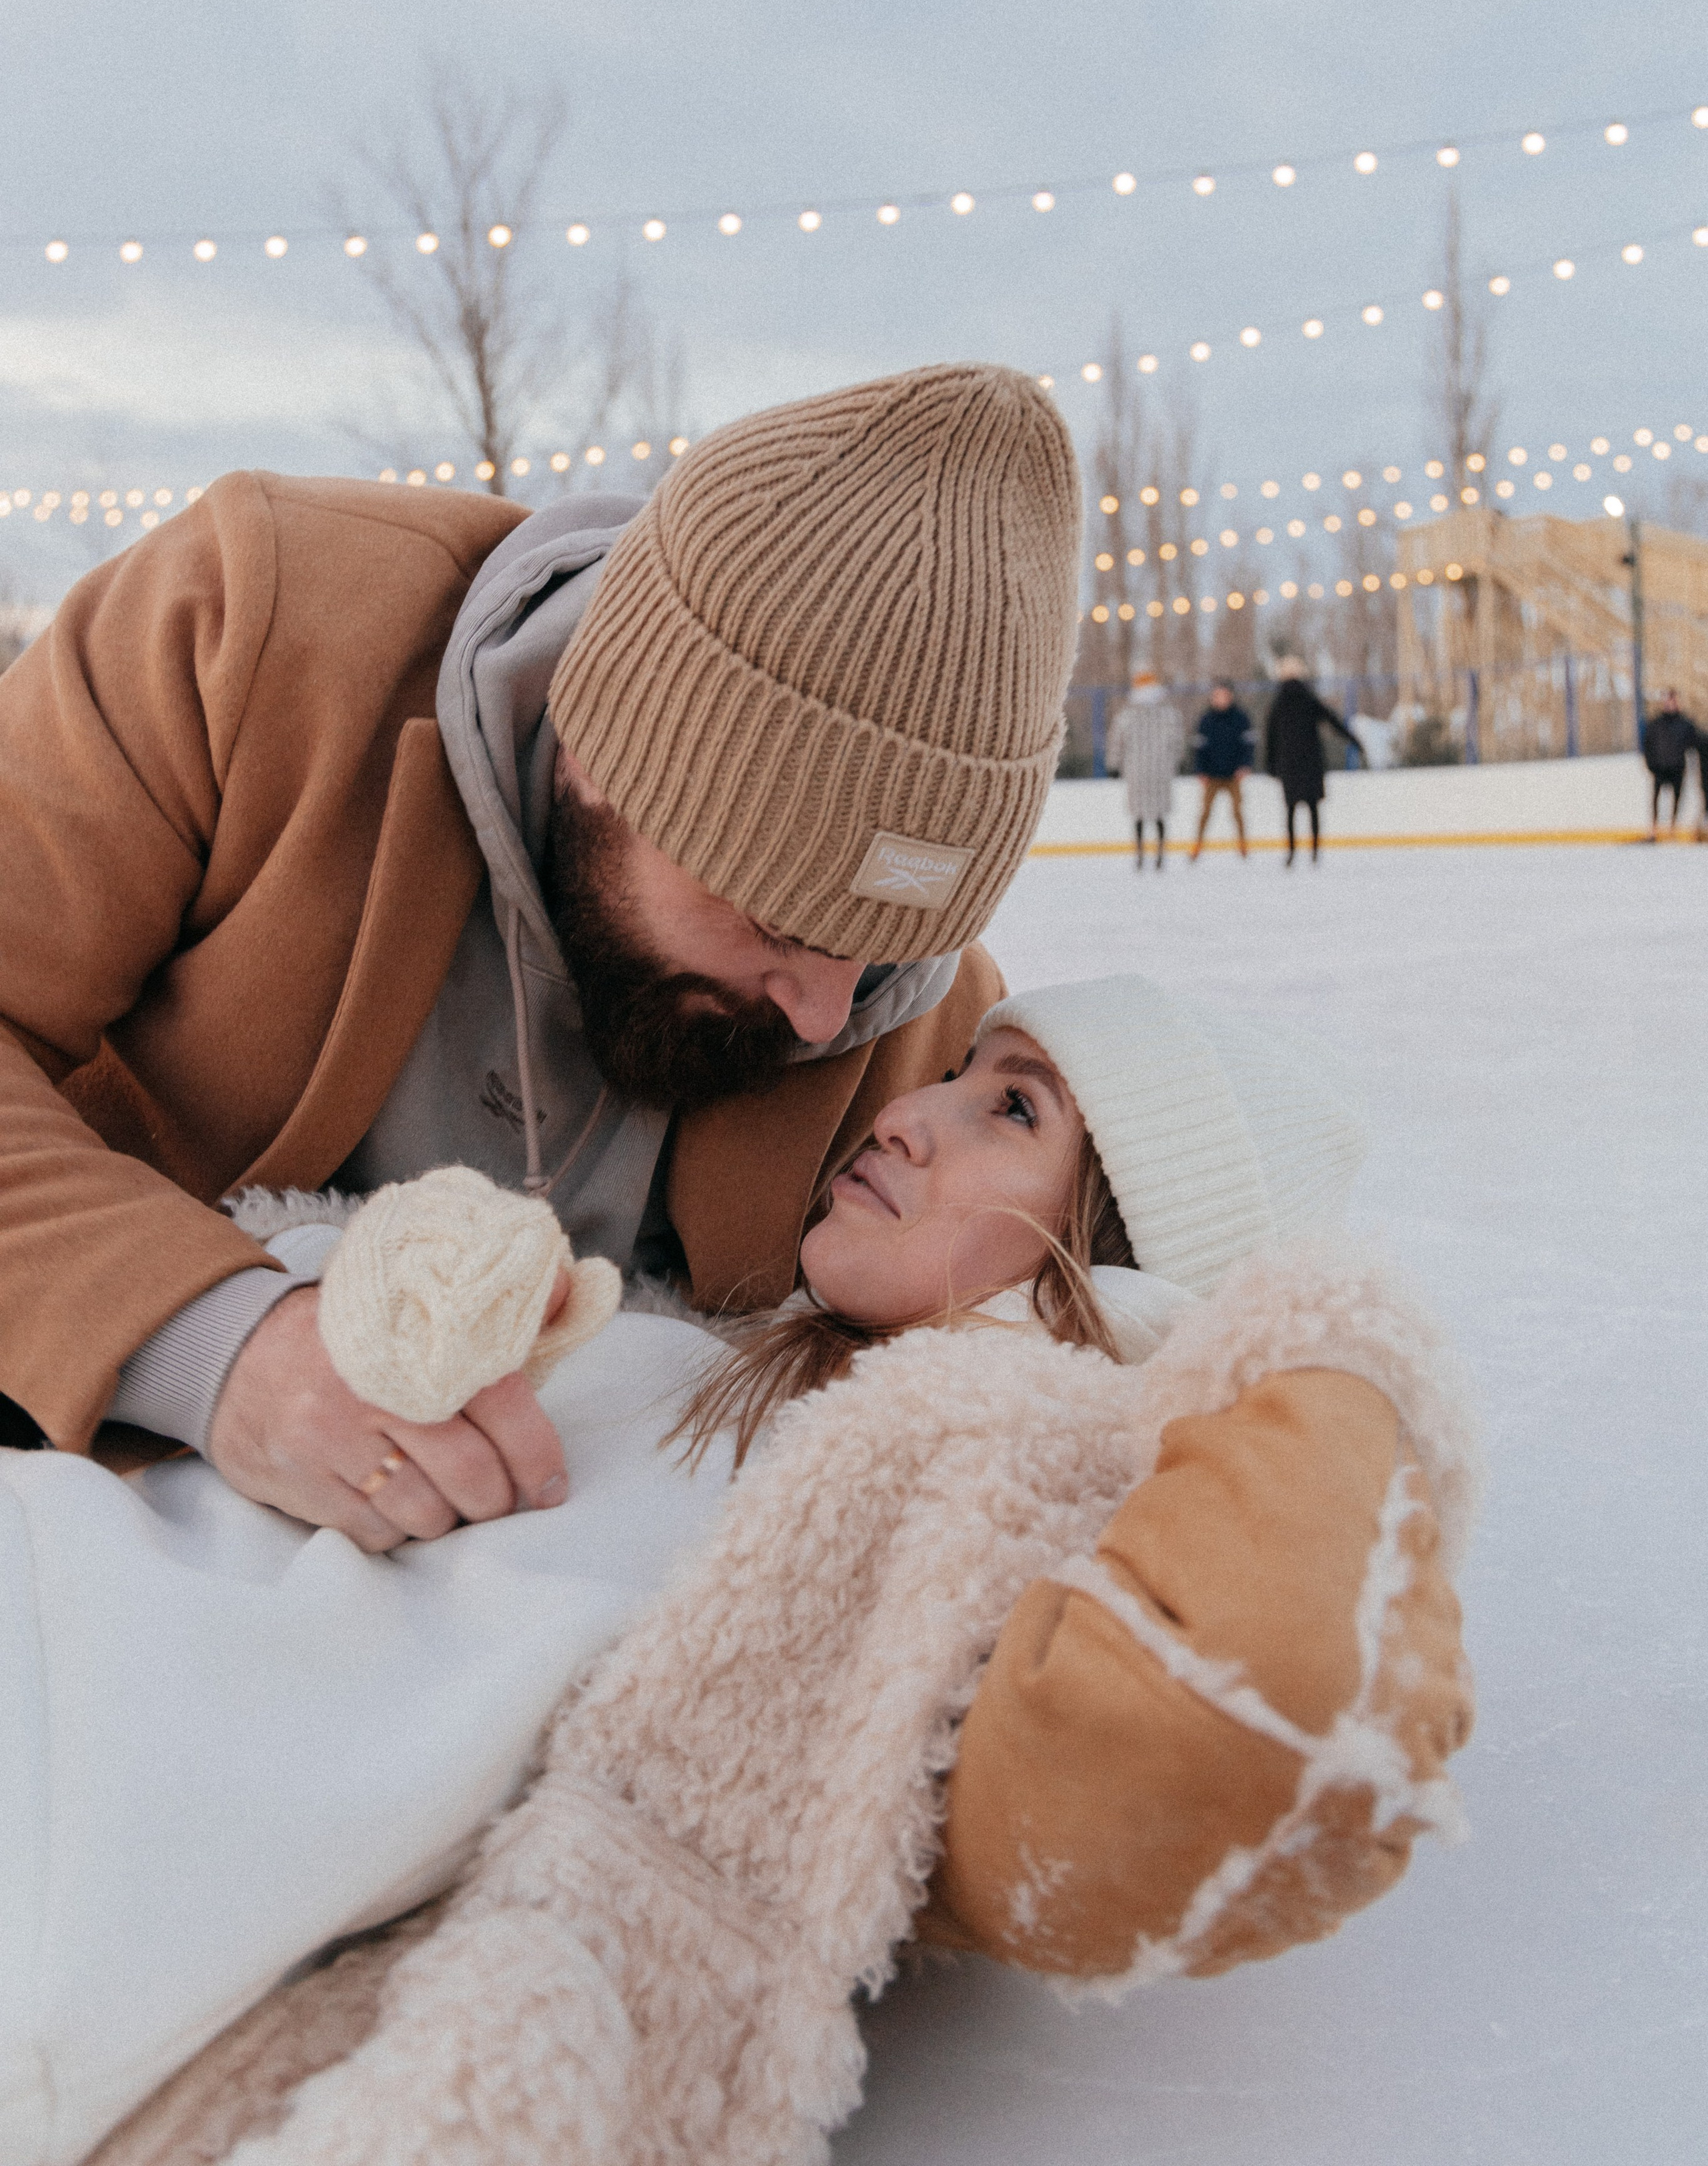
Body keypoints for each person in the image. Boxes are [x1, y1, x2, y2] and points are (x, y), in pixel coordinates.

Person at [78, 975, 1476, 2165]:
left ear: (1119, 1264)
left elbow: (1257, 1685)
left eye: (1012, 1109)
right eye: (958, 1077)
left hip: (142, 1839)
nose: (904, 1112)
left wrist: (1319, 1347)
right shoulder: (701, 1346)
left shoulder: (953, 1523)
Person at [0, 364, 1082, 1543]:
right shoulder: (249, 634)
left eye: (884, 948)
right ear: (602, 753)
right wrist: (216, 1350)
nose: (829, 1017)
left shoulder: (919, 1015)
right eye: (778, 923)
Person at [1265, 654, 1359, 865]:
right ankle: (1315, 852)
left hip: (1289, 763)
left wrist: (1270, 764)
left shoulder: (1279, 702)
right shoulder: (1309, 698)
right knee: (1313, 808)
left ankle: (1291, 853)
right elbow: (1332, 720)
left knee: (1291, 810)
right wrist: (1353, 740)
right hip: (1310, 762)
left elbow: (1270, 736)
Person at [1106, 667, 1184, 869]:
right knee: (1154, 814)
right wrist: (1175, 762)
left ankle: (1145, 854)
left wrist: (1114, 765)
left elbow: (1117, 742)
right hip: (1156, 770)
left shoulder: (1128, 716)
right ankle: (1155, 854)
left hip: (1140, 769)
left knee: (1143, 814)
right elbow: (1177, 744)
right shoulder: (1168, 715)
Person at [1189, 680, 1254, 859]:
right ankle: (1197, 845)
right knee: (1205, 812)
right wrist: (1200, 770)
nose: (1221, 699)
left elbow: (1249, 745)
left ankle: (1243, 845)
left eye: (1224, 695)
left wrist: (1245, 765)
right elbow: (1199, 748)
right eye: (1218, 696)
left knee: (1237, 811)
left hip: (1234, 774)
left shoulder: (1241, 718)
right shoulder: (1206, 720)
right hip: (1212, 775)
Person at [1643, 689, 1699, 839]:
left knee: (1677, 797)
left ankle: (1672, 829)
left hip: (1677, 767)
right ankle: (1654, 829)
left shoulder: (1685, 723)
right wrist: (1650, 764)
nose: (1670, 704)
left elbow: (1694, 742)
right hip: (1660, 767)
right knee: (1656, 798)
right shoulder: (1656, 723)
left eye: (1673, 701)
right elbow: (1647, 745)